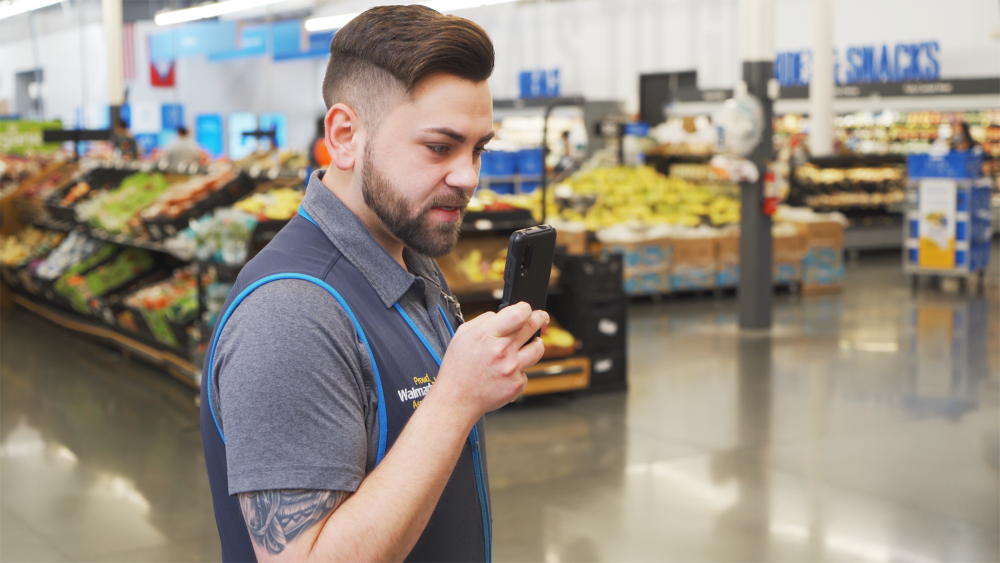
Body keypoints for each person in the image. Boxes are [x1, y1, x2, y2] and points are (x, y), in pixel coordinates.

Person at [200, 6, 549, 563]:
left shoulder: (407, 255)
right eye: (440, 147)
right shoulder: (291, 314)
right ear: (344, 136)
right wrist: (456, 400)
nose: (469, 177)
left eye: (478, 149)